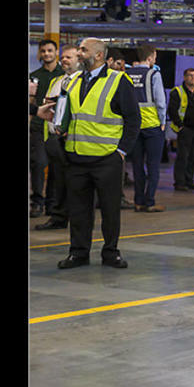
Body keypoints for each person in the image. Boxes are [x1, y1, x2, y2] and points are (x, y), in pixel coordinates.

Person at [37, 37, 140, 269]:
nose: (78, 53)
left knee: (110, 209)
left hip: (107, 159)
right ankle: (78, 252)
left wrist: (121, 151)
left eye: (83, 50)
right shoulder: (72, 82)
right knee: (79, 210)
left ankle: (111, 252)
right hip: (76, 158)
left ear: (99, 56)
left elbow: (133, 120)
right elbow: (67, 115)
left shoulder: (118, 80)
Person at [34, 44, 82, 230]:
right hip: (54, 138)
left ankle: (75, 218)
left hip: (72, 139)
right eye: (63, 57)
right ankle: (58, 217)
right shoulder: (57, 81)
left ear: (79, 60)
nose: (64, 60)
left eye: (69, 57)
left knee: (74, 182)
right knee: (56, 182)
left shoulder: (81, 81)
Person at [124, 44, 168, 213]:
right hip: (152, 126)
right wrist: (163, 121)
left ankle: (138, 201)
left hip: (134, 127)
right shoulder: (154, 74)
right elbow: (160, 101)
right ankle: (149, 201)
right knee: (153, 166)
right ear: (150, 58)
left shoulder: (126, 75)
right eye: (155, 57)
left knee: (137, 165)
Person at [30, 39, 65, 219]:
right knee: (38, 163)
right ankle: (37, 202)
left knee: (56, 167)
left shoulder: (65, 76)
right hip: (38, 127)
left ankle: (52, 203)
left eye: (50, 51)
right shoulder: (34, 76)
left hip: (56, 128)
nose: (46, 54)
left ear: (56, 52)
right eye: (43, 51)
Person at [169, 67, 194, 192]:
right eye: (189, 75)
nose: (192, 77)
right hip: (185, 129)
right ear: (184, 77)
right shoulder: (177, 91)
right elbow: (172, 110)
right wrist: (180, 126)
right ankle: (179, 182)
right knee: (182, 157)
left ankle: (189, 181)